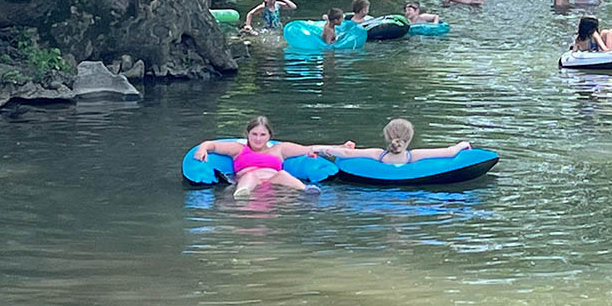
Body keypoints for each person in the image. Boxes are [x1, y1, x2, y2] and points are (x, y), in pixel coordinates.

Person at [193, 115, 361, 198]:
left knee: (282, 174)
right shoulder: (238, 149)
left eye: (262, 134)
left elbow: (310, 148)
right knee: (252, 176)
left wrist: (340, 147)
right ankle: (242, 193)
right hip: (249, 178)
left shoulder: (280, 149)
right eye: (254, 134)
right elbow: (211, 144)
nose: (258, 138)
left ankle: (305, 190)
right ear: (248, 134)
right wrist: (202, 149)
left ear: (269, 135)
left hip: (274, 180)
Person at [321, 118, 471, 166]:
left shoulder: (377, 154)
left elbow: (346, 153)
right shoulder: (414, 156)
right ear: (409, 138)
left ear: (387, 137)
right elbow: (449, 152)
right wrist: (462, 144)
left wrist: (321, 149)